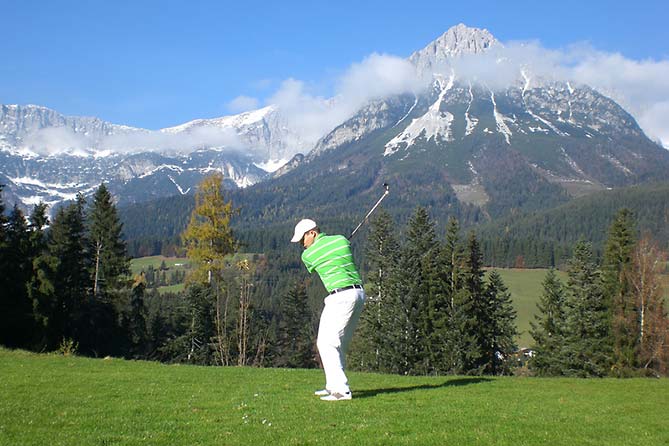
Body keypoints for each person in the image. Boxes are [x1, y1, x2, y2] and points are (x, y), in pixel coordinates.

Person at [291, 218, 366, 401]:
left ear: (312, 233)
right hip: (358, 294)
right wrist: (341, 244)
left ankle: (341, 391)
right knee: (332, 343)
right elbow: (339, 248)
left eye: (303, 239)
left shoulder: (308, 256)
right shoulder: (341, 240)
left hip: (341, 298)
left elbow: (315, 261)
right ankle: (332, 386)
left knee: (328, 343)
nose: (302, 244)